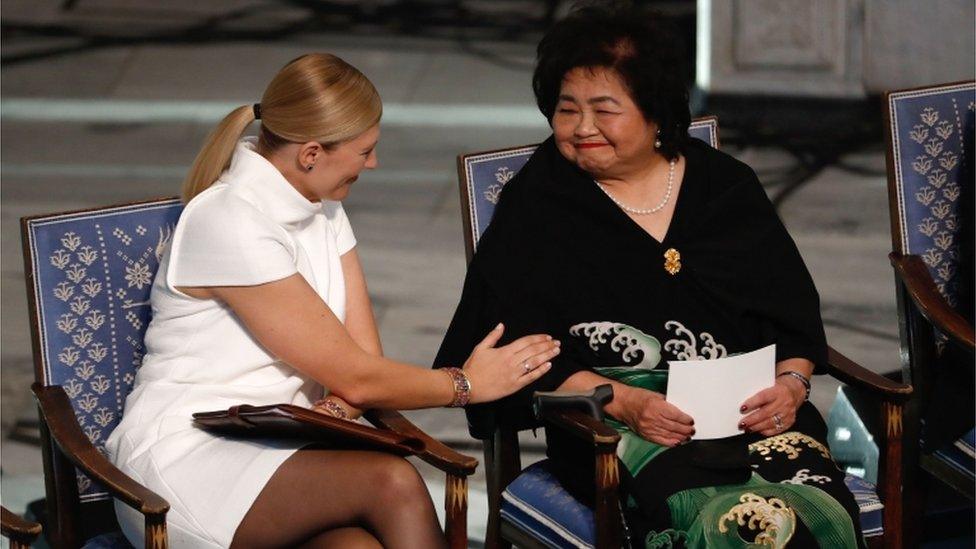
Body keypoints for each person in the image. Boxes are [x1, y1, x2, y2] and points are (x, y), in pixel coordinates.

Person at [435, 5, 865, 548]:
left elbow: (792, 314)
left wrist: (791, 384)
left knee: (820, 512)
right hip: (612, 427)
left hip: (753, 417)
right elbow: (508, 344)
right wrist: (622, 401)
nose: (582, 128)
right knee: (739, 525)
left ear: (656, 113)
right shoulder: (538, 204)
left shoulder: (726, 188)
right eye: (567, 110)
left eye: (604, 110)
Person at [105, 53, 560, 549]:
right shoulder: (230, 221)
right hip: (187, 459)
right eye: (365, 151)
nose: (373, 163)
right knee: (392, 481)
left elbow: (362, 365)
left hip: (283, 445)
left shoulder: (325, 209)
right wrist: (467, 384)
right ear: (312, 153)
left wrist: (339, 408)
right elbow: (359, 376)